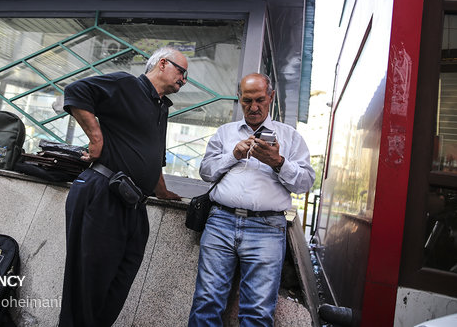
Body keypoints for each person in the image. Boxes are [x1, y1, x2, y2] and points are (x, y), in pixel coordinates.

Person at [59, 47, 188, 326]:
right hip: (103, 193)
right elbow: (76, 91)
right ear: (163, 64)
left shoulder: (161, 106)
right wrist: (96, 139)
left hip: (134, 205)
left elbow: (152, 153)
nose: (184, 79)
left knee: (118, 283)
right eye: (182, 71)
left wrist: (161, 189)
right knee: (88, 286)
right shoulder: (127, 84)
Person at [188, 73, 315, 327]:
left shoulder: (290, 137)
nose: (253, 107)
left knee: (257, 312)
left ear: (271, 97)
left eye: (259, 100)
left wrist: (278, 162)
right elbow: (206, 172)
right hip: (220, 222)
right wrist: (233, 154)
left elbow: (305, 183)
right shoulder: (225, 133)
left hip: (267, 228)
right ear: (239, 98)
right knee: (206, 302)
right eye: (247, 101)